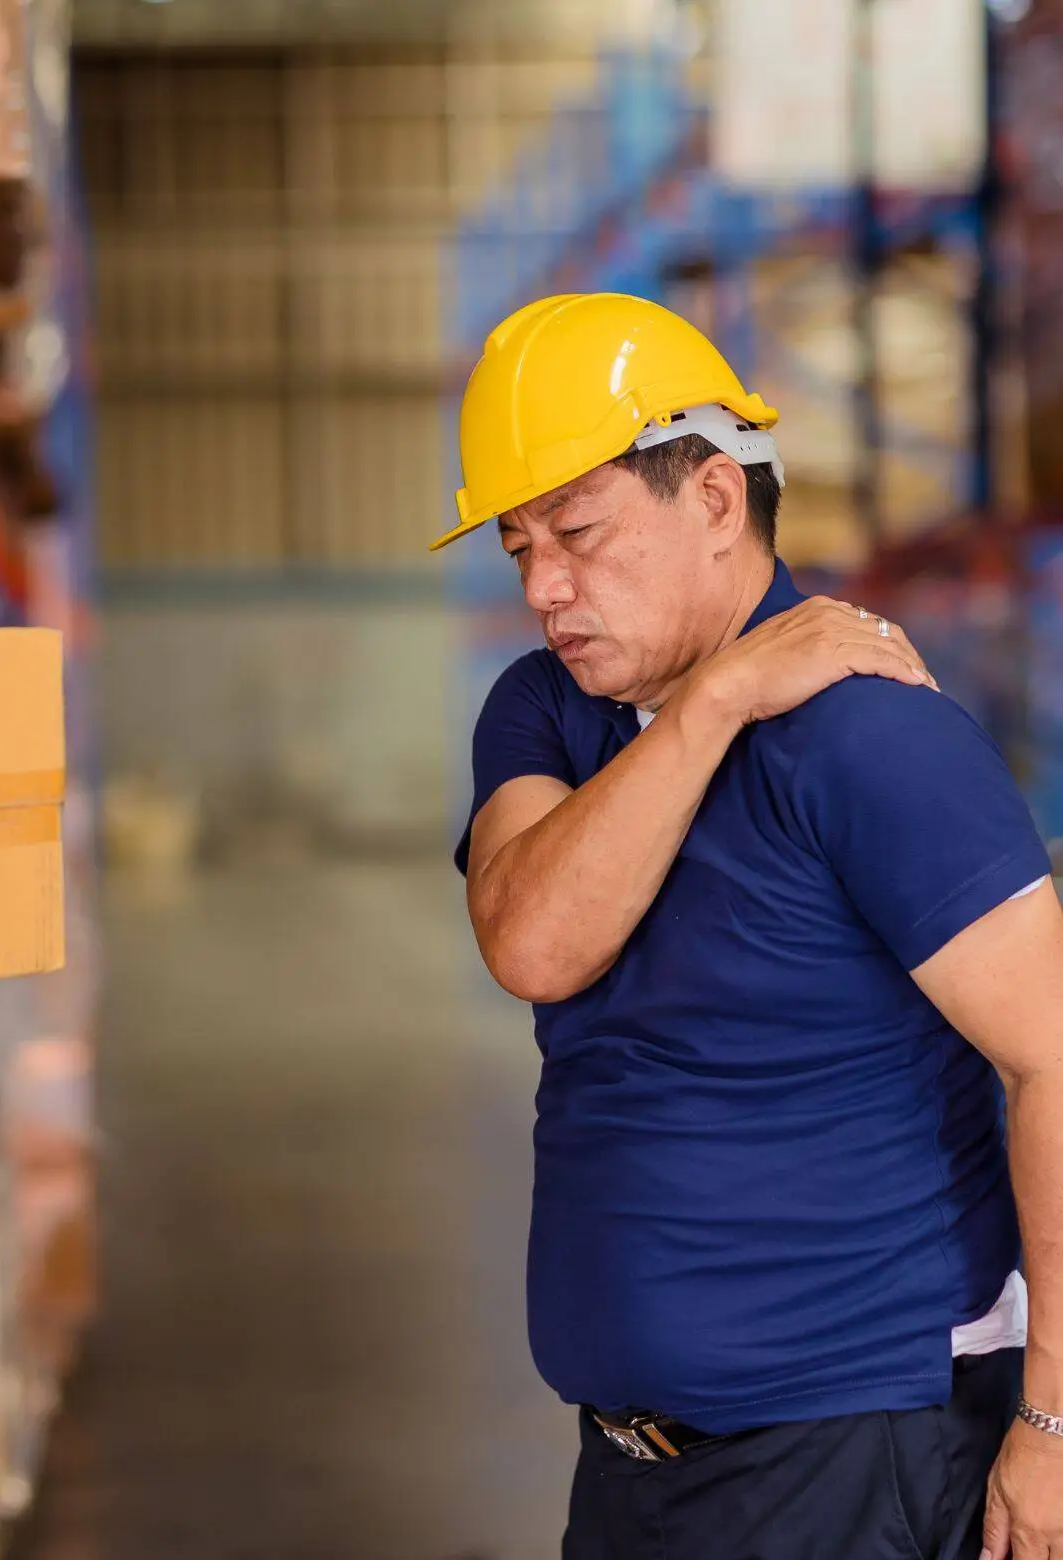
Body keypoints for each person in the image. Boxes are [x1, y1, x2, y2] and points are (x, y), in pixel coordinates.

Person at [432, 293, 1063, 1560]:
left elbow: (1053, 1058)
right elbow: (533, 943)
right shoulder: (548, 711)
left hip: (852, 1455)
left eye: (580, 533)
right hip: (629, 1467)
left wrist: (1053, 1422)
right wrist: (714, 700)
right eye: (518, 549)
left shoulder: (870, 736)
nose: (547, 588)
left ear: (717, 499)